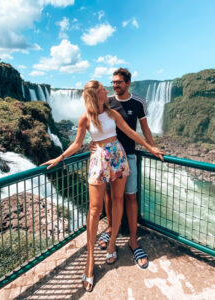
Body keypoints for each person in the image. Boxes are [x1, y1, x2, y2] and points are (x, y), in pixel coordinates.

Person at [41, 80, 164, 292]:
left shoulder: (112, 113)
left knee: (118, 200)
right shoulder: (85, 118)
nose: (106, 91)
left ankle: (112, 242)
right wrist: (59, 157)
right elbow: (77, 144)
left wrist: (150, 147)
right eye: (102, 90)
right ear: (95, 96)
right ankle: (90, 261)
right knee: (95, 210)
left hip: (117, 155)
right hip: (98, 159)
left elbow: (131, 133)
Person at [97, 68, 160, 269]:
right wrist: (92, 143)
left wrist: (152, 146)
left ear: (128, 83)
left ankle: (133, 240)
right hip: (110, 157)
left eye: (119, 82)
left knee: (130, 197)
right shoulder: (107, 102)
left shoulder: (138, 102)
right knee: (109, 195)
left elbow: (144, 128)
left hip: (130, 156)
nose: (115, 85)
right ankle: (109, 228)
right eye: (113, 82)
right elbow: (98, 125)